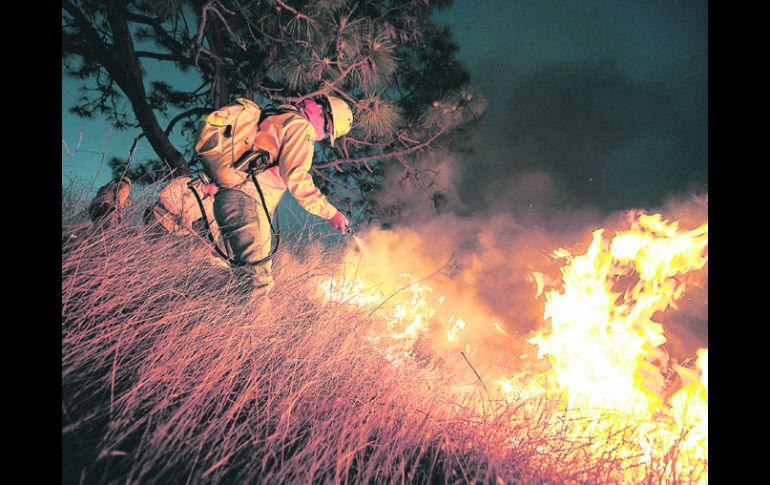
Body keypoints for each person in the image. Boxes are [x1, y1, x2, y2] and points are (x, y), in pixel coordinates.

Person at [210, 95, 353, 308]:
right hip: (246, 201)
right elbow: (297, 178)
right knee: (257, 285)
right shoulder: (301, 127)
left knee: (239, 281)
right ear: (322, 113)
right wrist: (331, 213)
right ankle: (259, 329)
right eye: (327, 131)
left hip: (228, 200)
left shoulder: (278, 117)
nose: (321, 136)